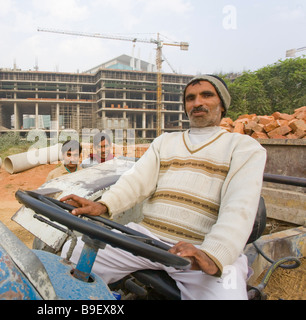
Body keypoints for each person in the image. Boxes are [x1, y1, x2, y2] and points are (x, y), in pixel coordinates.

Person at [60, 75, 267, 300]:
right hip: (148, 238)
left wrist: (212, 255)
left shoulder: (244, 148)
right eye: (190, 98)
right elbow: (136, 181)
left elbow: (239, 207)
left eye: (206, 95)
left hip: (199, 250)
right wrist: (103, 205)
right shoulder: (164, 142)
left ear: (222, 104)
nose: (197, 102)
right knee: (72, 256)